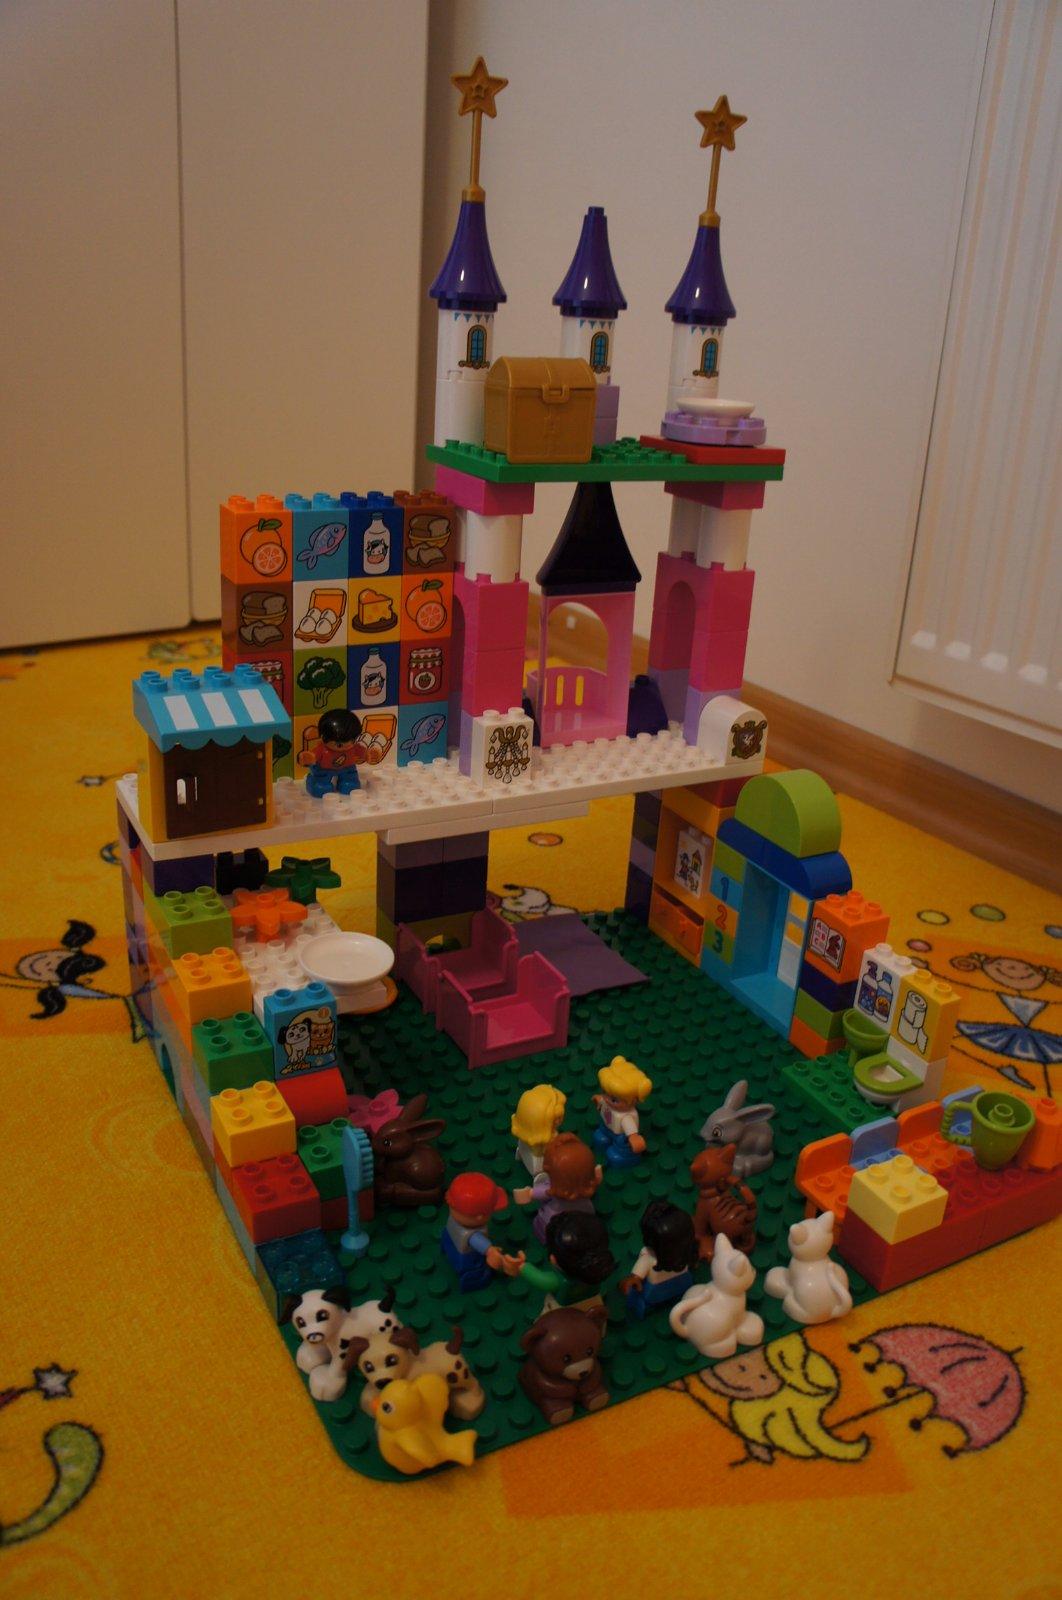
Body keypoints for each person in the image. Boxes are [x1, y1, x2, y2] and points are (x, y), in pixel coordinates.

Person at [620, 1200, 697, 1318]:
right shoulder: (686, 1251)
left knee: (638, 1294)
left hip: (656, 1293)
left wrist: (630, 1281)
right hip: (683, 1283)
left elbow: (635, 1278)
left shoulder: (648, 1259)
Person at [592, 1055, 653, 1167]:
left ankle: (626, 1156)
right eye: (604, 1092)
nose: (607, 1099)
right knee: (600, 1137)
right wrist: (599, 1100)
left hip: (621, 1136)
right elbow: (603, 1103)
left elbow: (631, 1131)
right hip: (606, 1127)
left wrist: (634, 1138)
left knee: (620, 1148)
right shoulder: (606, 1102)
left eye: (614, 1100)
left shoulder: (626, 1116)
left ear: (633, 1101)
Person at [305, 708, 366, 798]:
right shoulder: (322, 749)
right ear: (323, 737)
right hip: (324, 770)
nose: (347, 745)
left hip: (347, 769)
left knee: (351, 785)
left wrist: (368, 755)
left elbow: (362, 752)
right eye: (339, 745)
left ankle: (346, 782)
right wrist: (308, 758)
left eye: (352, 740)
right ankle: (314, 782)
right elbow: (312, 756)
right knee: (321, 787)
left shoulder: (353, 747)